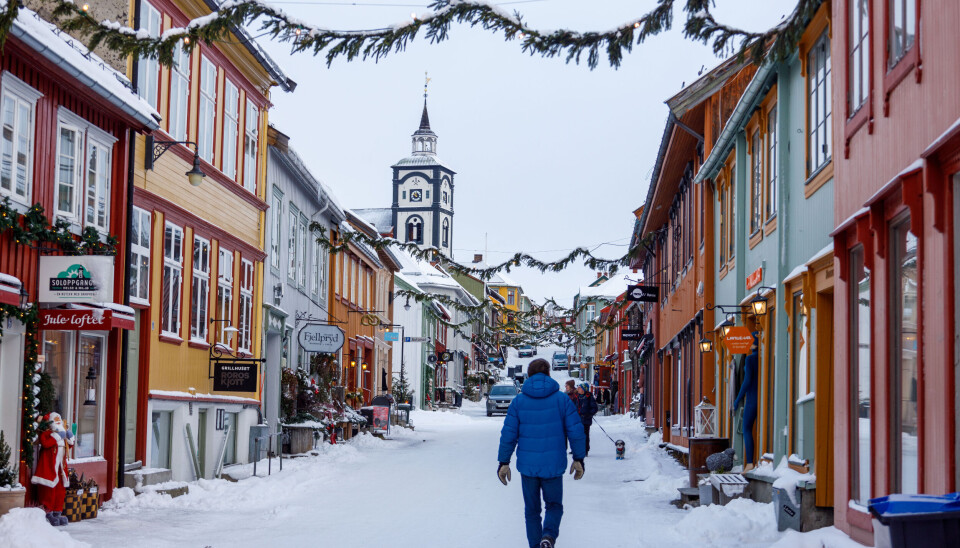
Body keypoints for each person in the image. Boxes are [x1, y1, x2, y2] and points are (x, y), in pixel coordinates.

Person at [498, 359, 586, 548]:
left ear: (529, 375)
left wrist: (504, 461)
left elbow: (508, 434)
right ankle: (548, 536)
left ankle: (535, 545)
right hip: (553, 464)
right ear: (548, 374)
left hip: (528, 466)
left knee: (532, 511)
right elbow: (576, 431)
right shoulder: (562, 400)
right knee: (554, 505)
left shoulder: (518, 401)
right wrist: (578, 458)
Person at [733, 332, 759, 472]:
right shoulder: (766, 357)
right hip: (764, 398)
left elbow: (747, 381)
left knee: (746, 428)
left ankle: (750, 463)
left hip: (752, 398)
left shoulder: (750, 359)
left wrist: (737, 399)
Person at [575, 383, 598, 456]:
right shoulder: (577, 397)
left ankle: (585, 450)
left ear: (583, 389)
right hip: (578, 420)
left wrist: (588, 414)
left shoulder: (589, 397)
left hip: (586, 420)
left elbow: (594, 408)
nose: (578, 389)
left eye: (579, 387)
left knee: (585, 435)